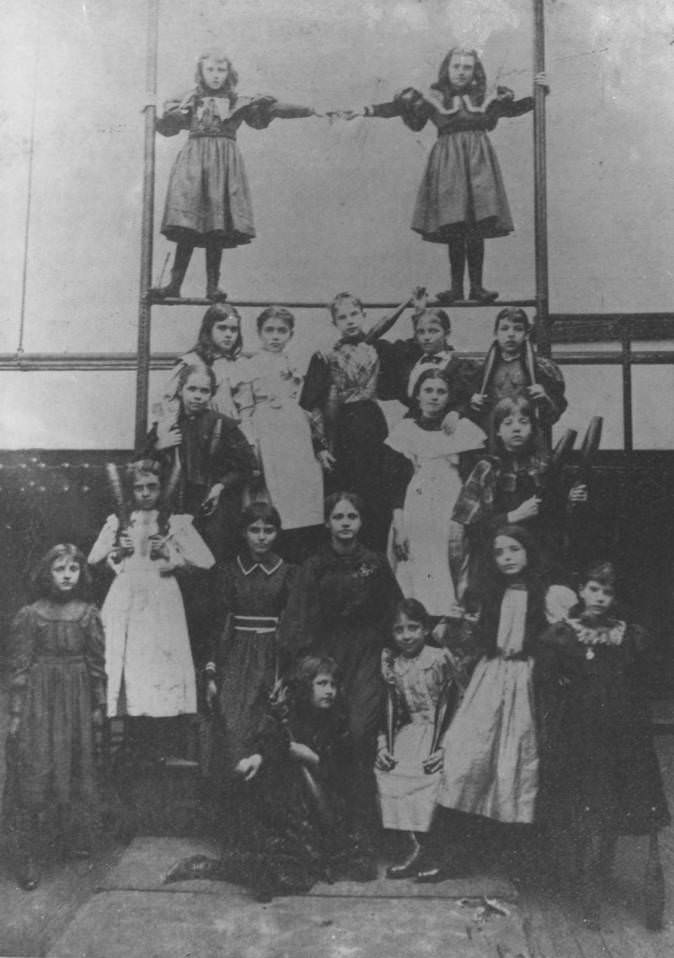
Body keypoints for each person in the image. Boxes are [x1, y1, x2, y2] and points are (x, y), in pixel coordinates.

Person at [413, 525, 575, 882]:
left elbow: (567, 639)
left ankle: (523, 862)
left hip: (526, 681)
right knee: (465, 758)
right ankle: (447, 854)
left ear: (529, 551)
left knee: (516, 764)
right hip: (489, 679)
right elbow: (468, 640)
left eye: (514, 549)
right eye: (500, 552)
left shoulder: (548, 594)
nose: (507, 558)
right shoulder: (488, 594)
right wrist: (454, 626)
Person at [339, 49, 545, 303]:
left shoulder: (486, 96)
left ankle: (478, 287)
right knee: (454, 223)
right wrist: (365, 110)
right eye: (456, 66)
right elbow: (396, 107)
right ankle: (456, 288)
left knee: (477, 224)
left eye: (467, 67)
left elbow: (512, 109)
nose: (461, 72)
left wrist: (540, 93)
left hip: (478, 160)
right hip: (448, 162)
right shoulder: (434, 97)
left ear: (474, 71)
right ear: (447, 69)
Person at [164, 656, 376, 900]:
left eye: (333, 685)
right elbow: (271, 744)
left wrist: (311, 757)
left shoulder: (339, 722)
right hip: (295, 816)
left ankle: (272, 868)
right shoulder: (289, 716)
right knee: (286, 866)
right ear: (306, 686)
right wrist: (257, 758)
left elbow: (346, 774)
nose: (330, 691)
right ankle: (220, 868)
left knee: (353, 866)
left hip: (326, 810)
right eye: (322, 683)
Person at [535, 561, 670, 930]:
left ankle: (598, 878)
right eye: (593, 589)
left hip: (620, 738)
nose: (599, 598)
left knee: (613, 808)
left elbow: (644, 681)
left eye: (607, 592)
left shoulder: (628, 636)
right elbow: (545, 687)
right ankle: (583, 883)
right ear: (581, 591)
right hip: (578, 737)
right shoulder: (561, 636)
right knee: (582, 810)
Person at [152, 49, 318, 300]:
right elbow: (167, 128)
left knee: (216, 226)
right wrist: (150, 114)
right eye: (210, 70)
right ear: (201, 72)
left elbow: (272, 111)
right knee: (188, 224)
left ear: (229, 73)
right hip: (194, 163)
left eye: (221, 70)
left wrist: (308, 110)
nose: (216, 75)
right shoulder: (189, 100)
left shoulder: (237, 101)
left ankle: (212, 286)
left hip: (223, 165)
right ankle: (174, 284)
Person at [3, 545, 106, 891]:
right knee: (36, 769)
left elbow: (96, 666)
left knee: (74, 767)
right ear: (46, 573)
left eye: (73, 568)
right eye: (59, 568)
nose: (66, 575)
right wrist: (16, 715)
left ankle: (66, 840)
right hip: (40, 702)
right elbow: (19, 668)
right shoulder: (31, 615)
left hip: (76, 703)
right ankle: (28, 855)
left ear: (81, 573)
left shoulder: (88, 614)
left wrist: (98, 706)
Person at [88, 459, 214, 727]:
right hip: (126, 600)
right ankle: (132, 729)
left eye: (152, 487)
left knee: (160, 659)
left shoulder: (172, 522)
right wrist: (119, 550)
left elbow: (206, 561)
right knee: (130, 660)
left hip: (161, 597)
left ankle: (159, 727)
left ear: (161, 488)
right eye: (138, 488)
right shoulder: (120, 522)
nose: (145, 493)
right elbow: (93, 559)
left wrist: (171, 554)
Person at [279, 492, 402, 767]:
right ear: (327, 523)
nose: (345, 523)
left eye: (352, 516)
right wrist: (304, 661)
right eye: (338, 517)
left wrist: (390, 650)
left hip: (366, 655)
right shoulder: (313, 566)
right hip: (327, 653)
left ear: (361, 522)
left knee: (359, 729)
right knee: (326, 729)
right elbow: (298, 618)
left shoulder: (375, 563)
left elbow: (393, 609)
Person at [300, 291, 417, 550]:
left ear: (363, 315)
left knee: (375, 492)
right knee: (346, 494)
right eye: (342, 317)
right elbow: (311, 405)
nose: (350, 321)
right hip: (342, 430)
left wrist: (414, 308)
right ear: (334, 323)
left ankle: (375, 555)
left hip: (374, 425)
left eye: (354, 314)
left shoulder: (379, 348)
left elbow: (413, 348)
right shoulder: (326, 356)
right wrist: (320, 447)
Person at [203, 502, 296, 790]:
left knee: (263, 722)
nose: (261, 537)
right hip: (236, 653)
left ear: (277, 533)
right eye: (254, 530)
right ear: (244, 533)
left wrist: (286, 671)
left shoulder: (288, 572)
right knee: (232, 721)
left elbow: (292, 625)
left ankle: (264, 811)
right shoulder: (229, 571)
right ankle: (232, 808)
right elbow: (218, 622)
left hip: (270, 652)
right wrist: (211, 670)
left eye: (269, 530)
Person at [453, 395, 587, 589]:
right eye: (508, 423)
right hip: (497, 562)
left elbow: (558, 521)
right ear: (497, 430)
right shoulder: (486, 469)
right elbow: (473, 529)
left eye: (524, 422)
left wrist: (571, 500)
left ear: (532, 428)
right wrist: (513, 516)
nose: (516, 428)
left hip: (540, 562)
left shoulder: (545, 467)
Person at [385, 369, 486, 613]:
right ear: (417, 396)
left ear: (449, 397)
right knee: (416, 558)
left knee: (450, 556)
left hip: (451, 502)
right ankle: (419, 616)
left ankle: (450, 615)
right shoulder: (405, 430)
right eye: (428, 390)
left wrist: (464, 516)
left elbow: (475, 478)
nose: (434, 397)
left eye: (441, 391)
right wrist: (399, 523)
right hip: (416, 504)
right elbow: (395, 483)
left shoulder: (463, 429)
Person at [375, 599, 462, 879]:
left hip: (444, 731)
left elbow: (455, 702)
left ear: (425, 629)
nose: (407, 635)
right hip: (411, 730)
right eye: (399, 630)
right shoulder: (394, 666)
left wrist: (446, 745)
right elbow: (393, 709)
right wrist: (383, 744)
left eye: (413, 628)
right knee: (392, 771)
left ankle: (439, 853)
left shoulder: (438, 659)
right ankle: (416, 848)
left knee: (432, 777)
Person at [237, 307, 328, 555]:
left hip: (296, 431)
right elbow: (245, 408)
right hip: (267, 431)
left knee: (303, 492)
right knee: (274, 495)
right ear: (259, 333)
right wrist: (251, 444)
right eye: (269, 330)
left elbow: (307, 402)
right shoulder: (250, 365)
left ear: (290, 334)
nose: (275, 337)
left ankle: (302, 550)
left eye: (282, 331)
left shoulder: (295, 361)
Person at [146, 363, 256, 564]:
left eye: (204, 391)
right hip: (174, 504)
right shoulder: (165, 425)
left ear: (211, 394)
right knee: (175, 560)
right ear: (180, 390)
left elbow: (247, 465)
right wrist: (160, 445)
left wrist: (221, 486)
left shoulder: (224, 425)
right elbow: (142, 465)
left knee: (211, 561)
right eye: (192, 389)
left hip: (211, 506)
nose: (198, 396)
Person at [469, 307, 567, 432]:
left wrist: (545, 398)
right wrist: (473, 401)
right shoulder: (481, 368)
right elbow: (466, 404)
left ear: (526, 334)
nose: (511, 334)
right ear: (495, 333)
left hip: (528, 435)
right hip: (492, 434)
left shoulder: (543, 368)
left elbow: (555, 412)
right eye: (504, 329)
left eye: (518, 329)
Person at [158, 303, 253, 422]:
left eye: (233, 330)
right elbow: (169, 402)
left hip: (229, 431)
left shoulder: (239, 364)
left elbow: (246, 407)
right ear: (209, 329)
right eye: (222, 328)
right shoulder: (191, 361)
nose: (228, 335)